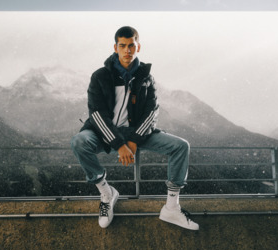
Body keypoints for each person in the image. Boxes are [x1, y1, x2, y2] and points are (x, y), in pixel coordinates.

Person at [71, 26, 199, 230]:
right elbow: (96, 114)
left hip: (137, 133)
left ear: (138, 46)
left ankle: (172, 208)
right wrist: (119, 144)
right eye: (122, 46)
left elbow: (152, 113)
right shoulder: (101, 76)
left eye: (131, 46)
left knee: (181, 146)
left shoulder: (146, 77)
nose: (127, 50)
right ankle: (106, 194)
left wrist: (133, 140)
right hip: (103, 132)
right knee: (79, 142)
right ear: (115, 47)